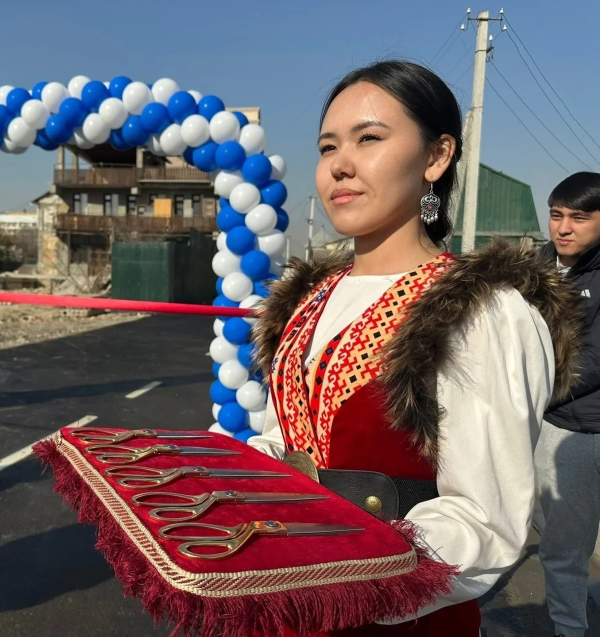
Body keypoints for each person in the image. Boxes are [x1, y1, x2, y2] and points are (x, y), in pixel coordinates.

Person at [246, 60, 582, 636]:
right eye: (328, 147)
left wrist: (346, 576)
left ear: (437, 156)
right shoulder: (307, 301)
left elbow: (484, 518)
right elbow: (289, 442)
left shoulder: (481, 313)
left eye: (369, 138)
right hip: (286, 603)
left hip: (394, 615)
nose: (339, 165)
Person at [536, 171, 600, 637]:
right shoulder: (532, 269)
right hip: (557, 430)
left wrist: (530, 391)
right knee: (561, 547)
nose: (563, 228)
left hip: (576, 422)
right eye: (556, 215)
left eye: (579, 218)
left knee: (566, 549)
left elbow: (594, 360)